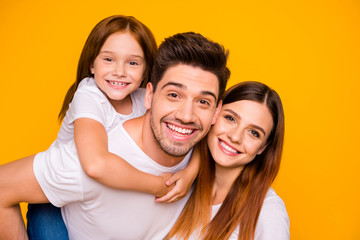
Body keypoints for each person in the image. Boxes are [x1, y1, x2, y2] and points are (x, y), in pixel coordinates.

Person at [0, 30, 230, 240]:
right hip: (54, 209)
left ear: (216, 112)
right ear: (149, 96)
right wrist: (158, 185)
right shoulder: (87, 159)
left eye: (203, 101)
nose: (187, 115)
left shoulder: (217, 150)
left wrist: (192, 170)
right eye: (173, 95)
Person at [166, 81, 290, 240]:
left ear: (263, 147)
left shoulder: (269, 211)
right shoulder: (182, 175)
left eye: (254, 132)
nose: (235, 136)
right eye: (230, 118)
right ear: (214, 114)